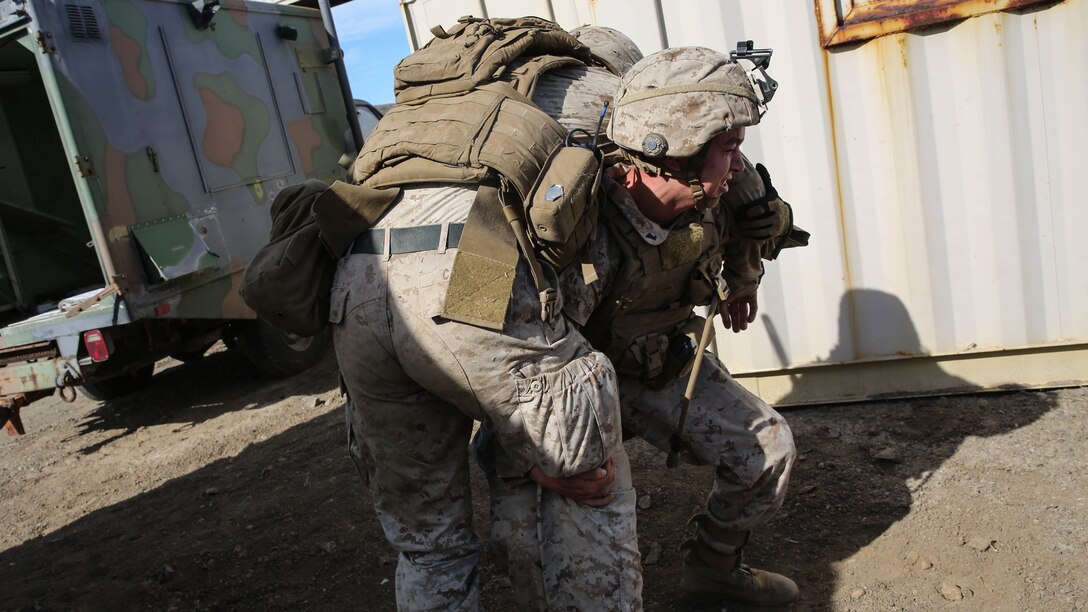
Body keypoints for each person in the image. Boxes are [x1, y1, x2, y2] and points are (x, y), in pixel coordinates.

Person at [331, 18, 642, 611]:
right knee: (585, 478)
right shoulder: (603, 96)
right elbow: (602, 240)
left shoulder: (455, 103)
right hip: (470, 255)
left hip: (357, 282)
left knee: (430, 548)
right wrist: (540, 449)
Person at [483, 45, 802, 607]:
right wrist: (531, 451)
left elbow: (755, 229)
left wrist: (742, 281)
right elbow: (498, 344)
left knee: (767, 451)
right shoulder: (568, 216)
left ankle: (714, 571)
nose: (738, 167)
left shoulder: (720, 192)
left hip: (652, 364)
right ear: (673, 151)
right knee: (554, 540)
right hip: (560, 392)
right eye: (728, 149)